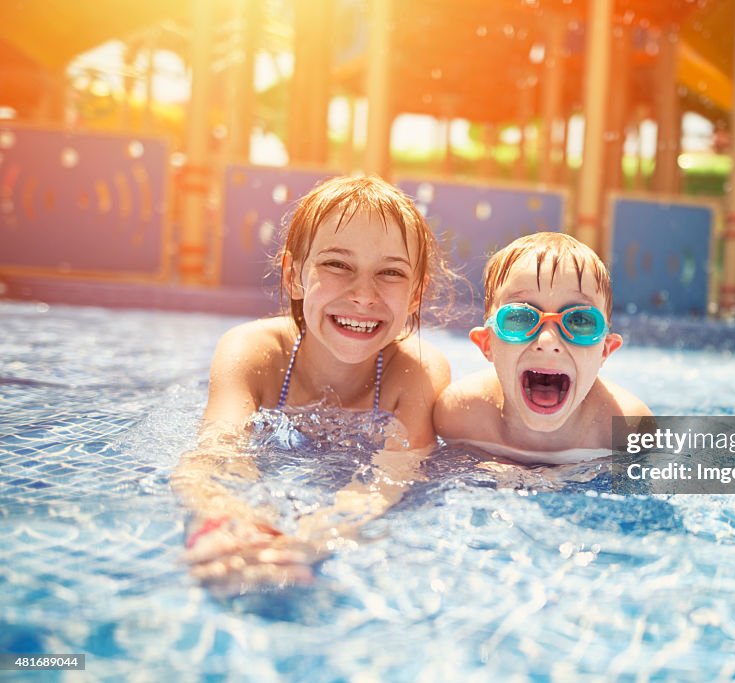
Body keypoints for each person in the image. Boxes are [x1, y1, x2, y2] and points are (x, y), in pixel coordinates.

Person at [172, 175, 453, 592]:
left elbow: (389, 479)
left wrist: (315, 538)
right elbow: (214, 453)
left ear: (415, 294)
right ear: (293, 274)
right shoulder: (253, 353)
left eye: (391, 273)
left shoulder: (415, 372)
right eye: (337, 264)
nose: (363, 294)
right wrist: (233, 520)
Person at [433, 232, 651, 465]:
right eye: (520, 317)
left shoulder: (630, 430)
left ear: (605, 351)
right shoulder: (460, 416)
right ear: (487, 344)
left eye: (579, 321)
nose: (548, 341)